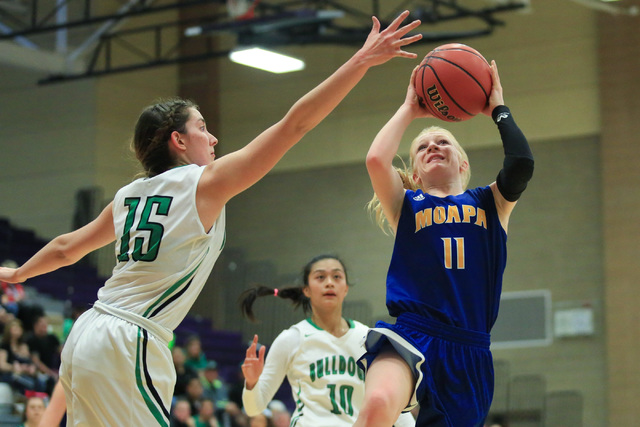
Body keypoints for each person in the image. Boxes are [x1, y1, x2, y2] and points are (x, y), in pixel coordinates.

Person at [0, 10, 422, 426]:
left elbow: (65, 248)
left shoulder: (128, 196)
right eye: (203, 127)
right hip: (129, 340)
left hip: (87, 333)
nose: (214, 136)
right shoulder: (204, 183)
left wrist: (18, 276)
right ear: (178, 140)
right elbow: (295, 124)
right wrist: (360, 60)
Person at [352, 61, 534, 427]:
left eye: (443, 142)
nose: (433, 146)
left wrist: (497, 107)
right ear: (415, 173)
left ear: (462, 162)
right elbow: (376, 160)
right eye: (422, 147)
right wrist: (409, 109)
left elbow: (520, 164)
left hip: (468, 348)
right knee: (377, 403)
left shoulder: (490, 203)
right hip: (412, 332)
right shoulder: (407, 204)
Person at [240, 255, 415, 427]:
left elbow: (392, 406)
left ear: (346, 288)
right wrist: (252, 382)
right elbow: (254, 408)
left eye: (337, 276)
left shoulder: (368, 338)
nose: (329, 282)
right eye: (320, 277)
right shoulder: (292, 338)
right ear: (306, 290)